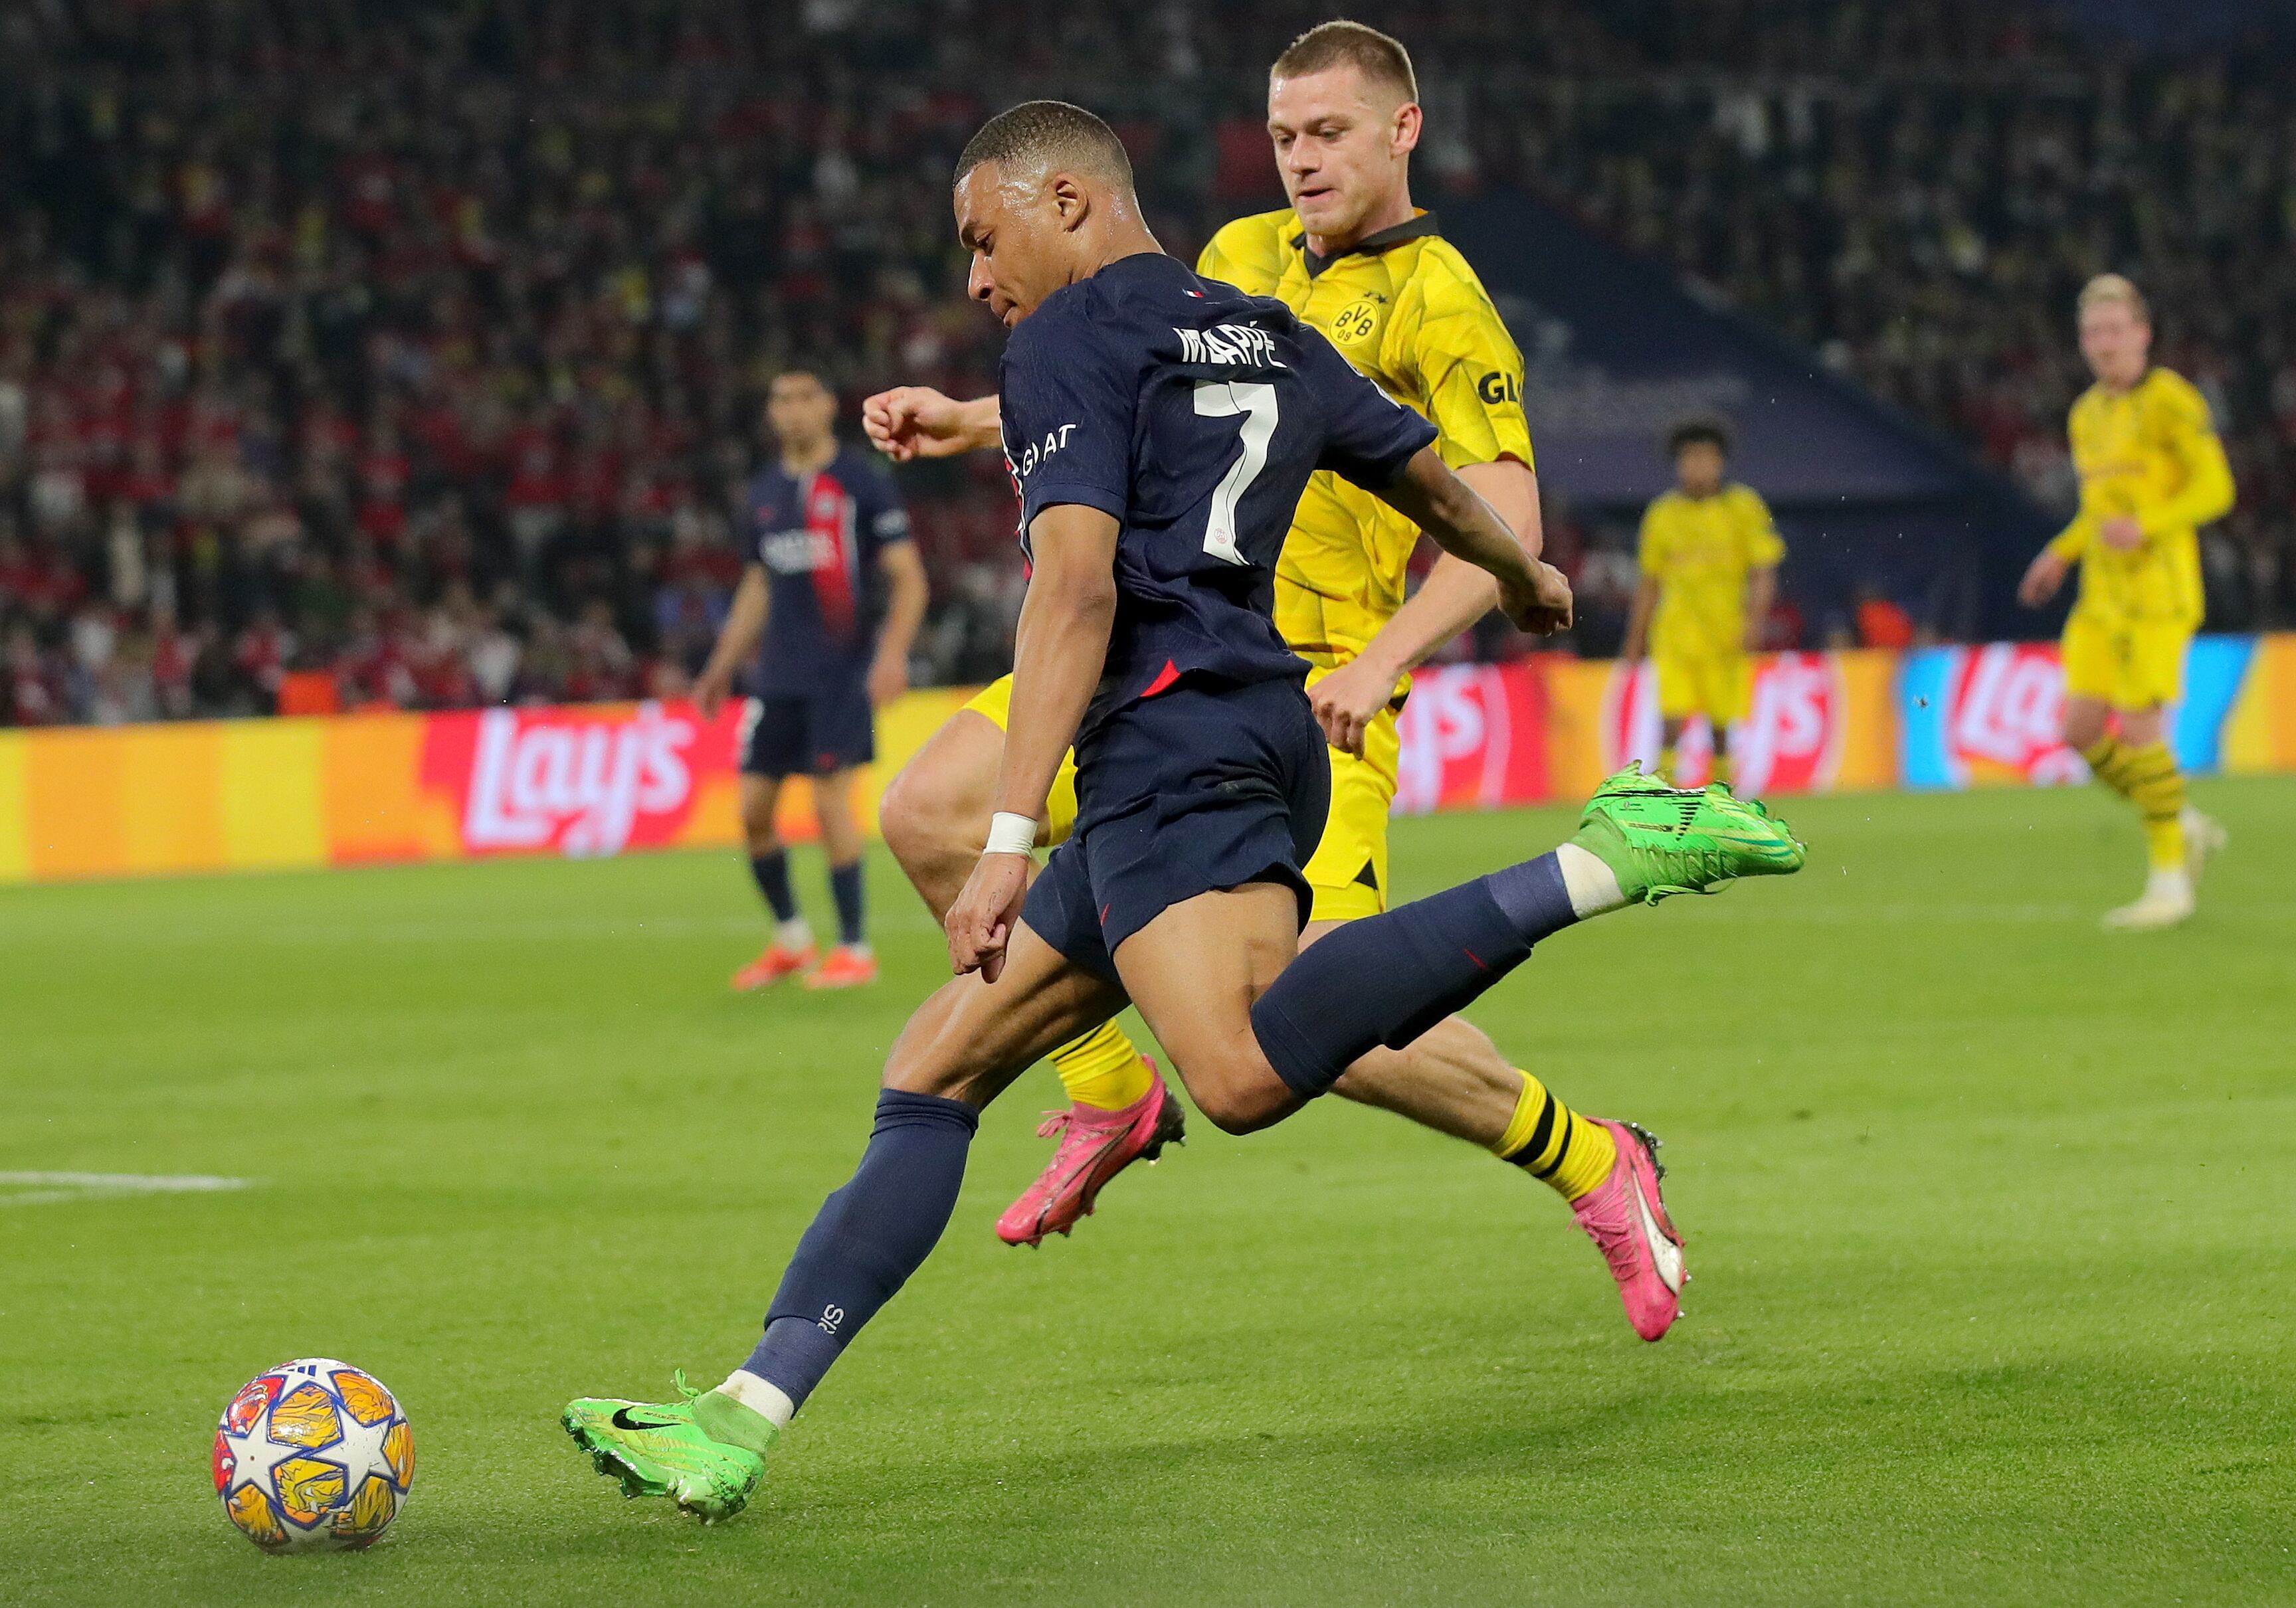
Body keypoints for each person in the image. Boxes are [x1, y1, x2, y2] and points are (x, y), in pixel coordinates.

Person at [561, 99, 1805, 1521]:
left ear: (1068, 200)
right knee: (933, 1076)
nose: (976, 279)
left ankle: (1602, 858)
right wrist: (1523, 580)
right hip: (1230, 725)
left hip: (1174, 742)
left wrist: (1009, 845)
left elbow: (1073, 595)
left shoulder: (1067, 337)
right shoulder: (1264, 326)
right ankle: (740, 1416)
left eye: (983, 239)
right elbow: (1424, 477)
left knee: (1243, 1072)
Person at [864, 22, 1683, 1341]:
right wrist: (974, 418)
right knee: (928, 814)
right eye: (1285, 135)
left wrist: (1383, 658)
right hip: (1140, 646)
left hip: (1298, 690)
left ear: (1402, 131)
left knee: (1313, 1023)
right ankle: (1110, 1089)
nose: (1301, 159)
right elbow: (1143, 378)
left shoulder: (1439, 300)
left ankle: (1592, 1156)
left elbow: (1503, 519)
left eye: (1330, 133)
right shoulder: (1240, 253)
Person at [695, 371, 929, 990]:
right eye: (781, 399)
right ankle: (793, 939)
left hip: (840, 670)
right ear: (770, 413)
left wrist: (892, 653)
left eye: (804, 398)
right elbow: (758, 584)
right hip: (777, 675)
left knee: (830, 805)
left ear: (828, 406)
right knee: (753, 812)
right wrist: (721, 665)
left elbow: (908, 577)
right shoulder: (764, 492)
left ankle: (854, 948)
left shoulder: (859, 482)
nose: (793, 410)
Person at [2018, 275, 2233, 930]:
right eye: (2093, 332)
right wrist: (2060, 552)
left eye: (2116, 330)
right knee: (2079, 732)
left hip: (2159, 594)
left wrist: (2151, 523)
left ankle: (2170, 884)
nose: (2105, 343)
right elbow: (2097, 511)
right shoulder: (2086, 414)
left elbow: (2216, 488)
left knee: (2141, 730)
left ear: (2143, 333)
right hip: (2101, 598)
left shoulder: (2171, 400)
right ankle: (2180, 820)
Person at [1620, 418, 1784, 788]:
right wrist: (1635, 638)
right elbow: (1649, 582)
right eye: (1690, 459)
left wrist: (1754, 622)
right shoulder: (1662, 514)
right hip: (1675, 634)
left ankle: (1724, 794)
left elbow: (1763, 570)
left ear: (1720, 463)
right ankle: (1667, 792)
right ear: (1678, 464)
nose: (1698, 467)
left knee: (1721, 725)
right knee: (1671, 719)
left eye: (1706, 458)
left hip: (1725, 633)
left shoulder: (1743, 507)